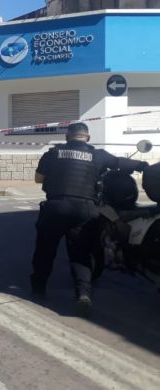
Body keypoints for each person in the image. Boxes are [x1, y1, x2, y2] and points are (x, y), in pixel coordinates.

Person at [32, 123, 149, 313]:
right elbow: (119, 163)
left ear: (67, 137)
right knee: (81, 254)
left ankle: (38, 287)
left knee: (45, 250)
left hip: (55, 208)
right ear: (87, 137)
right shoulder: (98, 155)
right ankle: (83, 294)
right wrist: (142, 165)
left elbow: (38, 179)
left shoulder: (53, 154)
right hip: (84, 209)